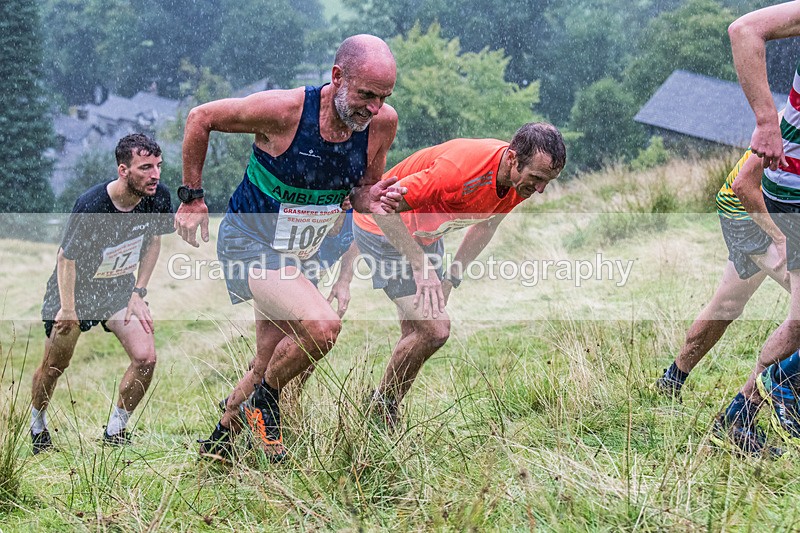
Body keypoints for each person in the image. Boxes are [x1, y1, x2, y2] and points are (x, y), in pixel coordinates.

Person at [174, 34, 403, 461]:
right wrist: (191, 196)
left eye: (383, 97)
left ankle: (218, 447)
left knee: (267, 361)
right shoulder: (284, 112)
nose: (373, 108)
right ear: (337, 77)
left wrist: (375, 199)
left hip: (305, 250)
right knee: (321, 327)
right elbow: (199, 117)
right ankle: (266, 402)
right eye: (367, 95)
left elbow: (362, 191)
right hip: (251, 240)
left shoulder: (382, 124)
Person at [352, 123, 566, 427]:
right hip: (384, 233)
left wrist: (451, 277)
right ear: (512, 158)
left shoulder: (521, 182)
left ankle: (382, 410)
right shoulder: (459, 171)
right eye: (537, 178)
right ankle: (380, 408)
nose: (540, 189)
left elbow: (486, 225)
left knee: (416, 332)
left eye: (548, 181)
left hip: (427, 234)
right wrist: (421, 266)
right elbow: (383, 208)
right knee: (435, 330)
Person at [31, 133, 173, 453]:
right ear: (123, 170)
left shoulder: (158, 197)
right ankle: (37, 426)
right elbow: (66, 259)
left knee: (145, 357)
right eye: (146, 167)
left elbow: (153, 242)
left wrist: (138, 291)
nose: (155, 175)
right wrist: (68, 309)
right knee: (55, 366)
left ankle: (115, 431)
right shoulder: (92, 204)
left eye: (159, 166)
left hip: (118, 290)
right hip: (74, 292)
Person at [714, 2, 800, 455]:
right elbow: (744, 29)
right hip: (791, 191)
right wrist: (766, 121)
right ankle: (764, 395)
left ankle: (741, 414)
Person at [655, 149, 789, 398]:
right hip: (744, 207)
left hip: (777, 208)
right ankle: (752, 407)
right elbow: (744, 186)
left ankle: (671, 381)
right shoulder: (793, 122)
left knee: (728, 304)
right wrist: (780, 238)